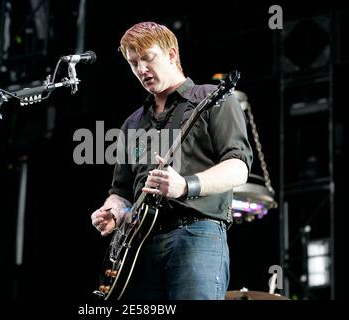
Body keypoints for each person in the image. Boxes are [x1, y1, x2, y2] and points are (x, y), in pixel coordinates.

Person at [90, 21, 253, 300]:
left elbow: (238, 167)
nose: (141, 69)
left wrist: (185, 186)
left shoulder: (213, 99)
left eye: (147, 58)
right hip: (139, 247)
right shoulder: (133, 123)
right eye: (133, 63)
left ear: (171, 55)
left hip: (196, 233)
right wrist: (113, 210)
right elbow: (121, 191)